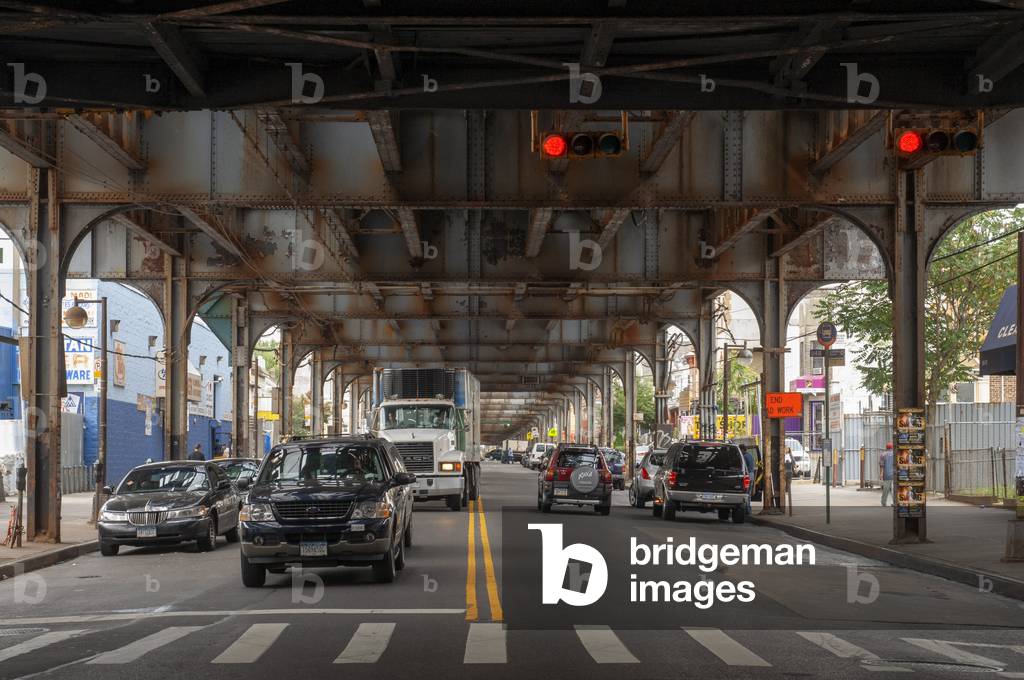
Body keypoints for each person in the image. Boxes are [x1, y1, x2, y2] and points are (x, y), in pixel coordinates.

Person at [880, 442, 894, 507]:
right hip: (894, 475)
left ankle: (883, 502)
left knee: (885, 489)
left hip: (886, 475)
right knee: (894, 490)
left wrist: (881, 474)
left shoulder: (883, 454)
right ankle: (895, 503)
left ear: (886, 447)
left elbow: (882, 465)